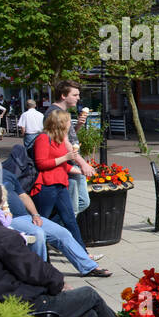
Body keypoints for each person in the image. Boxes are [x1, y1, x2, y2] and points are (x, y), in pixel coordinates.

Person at [0, 175, 117, 317]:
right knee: (88, 295)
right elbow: (39, 272)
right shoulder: (1, 236)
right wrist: (59, 284)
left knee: (87, 316)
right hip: (16, 313)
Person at [0, 144, 109, 276]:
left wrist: (35, 214)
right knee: (38, 234)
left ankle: (89, 267)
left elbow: (23, 195)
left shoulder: (6, 174)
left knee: (62, 233)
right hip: (7, 220)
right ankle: (41, 273)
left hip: (26, 217)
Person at [31, 108, 91, 250]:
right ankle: (36, 248)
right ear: (60, 123)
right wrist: (65, 158)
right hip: (46, 185)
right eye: (69, 121)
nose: (70, 124)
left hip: (61, 184)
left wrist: (80, 170)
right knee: (41, 219)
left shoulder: (58, 140)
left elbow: (63, 165)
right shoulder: (43, 138)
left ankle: (83, 252)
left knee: (70, 219)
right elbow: (41, 163)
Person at [46, 81, 92, 216]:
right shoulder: (55, 113)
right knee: (72, 210)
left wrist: (77, 126)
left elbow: (66, 138)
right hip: (68, 166)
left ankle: (57, 228)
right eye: (75, 94)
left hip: (71, 163)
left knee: (82, 202)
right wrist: (82, 163)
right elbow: (64, 143)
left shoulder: (63, 112)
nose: (78, 98)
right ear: (63, 95)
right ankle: (59, 232)